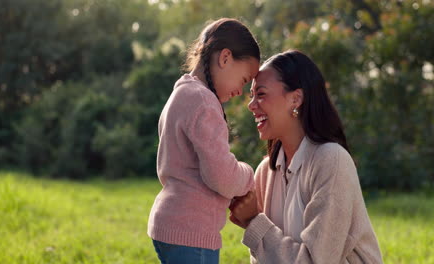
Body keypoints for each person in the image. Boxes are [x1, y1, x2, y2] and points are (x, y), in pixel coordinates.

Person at [229, 50, 383, 264]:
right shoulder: (265, 172)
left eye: (261, 94)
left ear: (296, 98)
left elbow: (317, 261)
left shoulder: (331, 160)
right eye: (251, 95)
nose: (251, 105)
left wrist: (255, 221)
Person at [147, 18, 261, 264]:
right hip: (191, 231)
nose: (240, 92)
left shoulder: (182, 93)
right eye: (243, 80)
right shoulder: (204, 102)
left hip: (171, 223)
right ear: (225, 58)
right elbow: (221, 176)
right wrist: (249, 175)